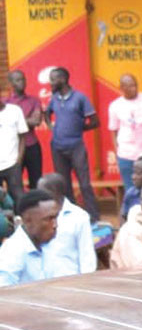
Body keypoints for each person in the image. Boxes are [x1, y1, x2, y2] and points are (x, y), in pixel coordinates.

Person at [44, 67, 100, 222]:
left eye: (53, 79)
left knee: (84, 184)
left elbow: (95, 122)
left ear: (63, 79)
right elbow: (46, 114)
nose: (51, 82)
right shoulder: (54, 98)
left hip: (76, 146)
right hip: (57, 147)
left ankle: (94, 217)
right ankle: (70, 216)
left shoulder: (80, 98)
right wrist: (52, 128)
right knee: (63, 184)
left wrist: (79, 127)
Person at [108, 73, 142, 192]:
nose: (134, 89)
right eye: (129, 86)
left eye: (135, 85)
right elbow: (114, 130)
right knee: (130, 189)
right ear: (121, 88)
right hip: (126, 154)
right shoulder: (115, 106)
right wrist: (118, 151)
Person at [38, 173, 96, 276]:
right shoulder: (35, 216)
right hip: (40, 283)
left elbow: (87, 255)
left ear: (55, 192)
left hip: (69, 282)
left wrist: (86, 283)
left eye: (41, 192)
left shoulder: (79, 217)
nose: (38, 196)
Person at [0, 190, 59, 286]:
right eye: (48, 219)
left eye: (56, 217)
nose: (55, 225)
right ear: (27, 220)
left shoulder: (50, 244)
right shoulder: (13, 251)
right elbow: (3, 293)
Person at [7, 70, 43, 189]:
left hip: (32, 146)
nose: (22, 82)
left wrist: (14, 120)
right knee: (15, 183)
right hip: (12, 148)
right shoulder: (5, 103)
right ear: (11, 83)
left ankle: (36, 207)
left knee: (36, 181)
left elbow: (36, 121)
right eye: (17, 80)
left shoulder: (34, 100)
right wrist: (27, 120)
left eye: (23, 79)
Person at [0, 93, 28, 207]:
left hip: (12, 164)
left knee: (18, 196)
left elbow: (22, 137)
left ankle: (21, 222)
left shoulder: (14, 110)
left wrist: (19, 160)